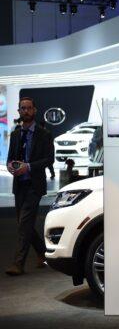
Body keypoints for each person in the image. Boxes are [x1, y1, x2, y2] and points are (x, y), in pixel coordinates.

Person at [5, 97, 55, 276]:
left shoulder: (44, 134)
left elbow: (50, 159)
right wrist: (11, 166)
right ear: (19, 111)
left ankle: (18, 264)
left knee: (24, 223)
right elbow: (10, 158)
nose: (25, 111)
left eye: (28, 108)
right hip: (19, 184)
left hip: (35, 185)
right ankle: (42, 251)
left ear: (34, 110)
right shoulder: (16, 134)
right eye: (22, 108)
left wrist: (29, 166)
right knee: (23, 224)